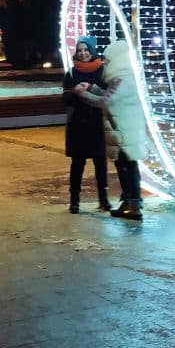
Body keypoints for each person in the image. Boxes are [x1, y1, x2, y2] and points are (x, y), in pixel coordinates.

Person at [75, 39, 147, 219]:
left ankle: (134, 204)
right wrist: (92, 87)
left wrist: (82, 93)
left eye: (108, 60)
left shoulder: (124, 79)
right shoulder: (123, 78)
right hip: (124, 131)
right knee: (125, 166)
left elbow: (104, 101)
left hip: (125, 133)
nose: (106, 63)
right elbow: (109, 95)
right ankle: (128, 202)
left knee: (128, 168)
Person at [62, 35, 111, 214]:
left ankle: (103, 199)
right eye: (80, 50)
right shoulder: (72, 72)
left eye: (86, 50)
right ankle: (74, 200)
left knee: (100, 162)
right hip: (78, 123)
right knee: (78, 163)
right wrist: (74, 91)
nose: (83, 53)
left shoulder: (103, 70)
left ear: (92, 51)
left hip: (97, 122)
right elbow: (64, 98)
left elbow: (109, 95)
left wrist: (91, 87)